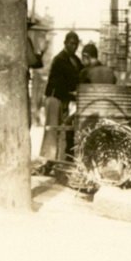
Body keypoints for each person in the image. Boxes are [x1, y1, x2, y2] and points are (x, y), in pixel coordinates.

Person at [38, 31, 82, 170]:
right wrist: (73, 94)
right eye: (71, 43)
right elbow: (63, 82)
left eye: (75, 44)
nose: (73, 46)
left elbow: (81, 75)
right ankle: (48, 160)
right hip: (54, 97)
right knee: (52, 129)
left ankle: (60, 160)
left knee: (62, 129)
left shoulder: (75, 60)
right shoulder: (60, 59)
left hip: (64, 99)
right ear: (65, 43)